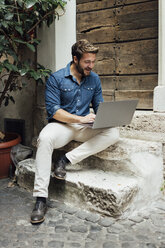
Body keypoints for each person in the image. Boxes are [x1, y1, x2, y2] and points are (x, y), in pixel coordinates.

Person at [30, 39, 119, 224]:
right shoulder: (56, 78)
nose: (91, 66)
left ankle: (65, 160)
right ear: (75, 59)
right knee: (45, 138)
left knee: (113, 133)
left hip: (84, 126)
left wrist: (110, 117)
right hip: (62, 126)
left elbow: (98, 106)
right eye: (87, 62)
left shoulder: (94, 78)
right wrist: (80, 119)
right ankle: (40, 199)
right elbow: (54, 111)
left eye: (93, 62)